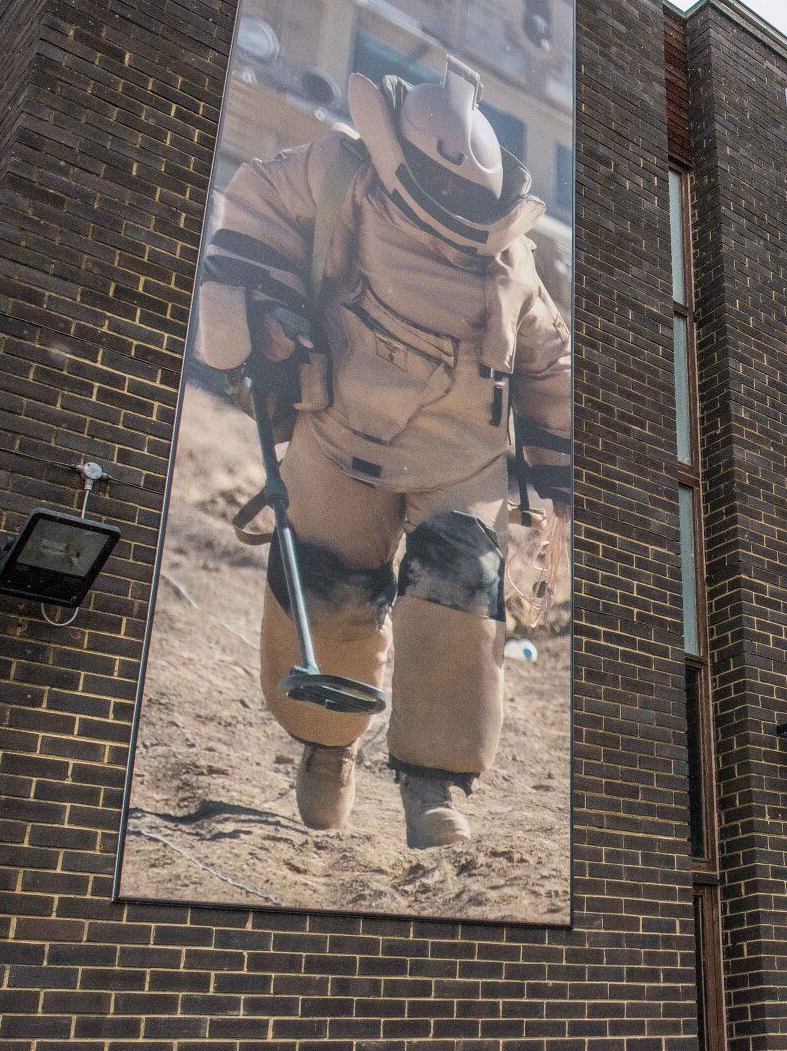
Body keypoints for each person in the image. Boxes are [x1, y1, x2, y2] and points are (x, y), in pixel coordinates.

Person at [193, 58, 572, 849]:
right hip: (339, 432)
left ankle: (434, 788)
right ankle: (327, 750)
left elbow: (549, 369)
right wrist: (266, 317)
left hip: (458, 465)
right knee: (327, 589)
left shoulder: (514, 266)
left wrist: (559, 493)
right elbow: (255, 205)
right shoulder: (337, 173)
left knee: (459, 602)